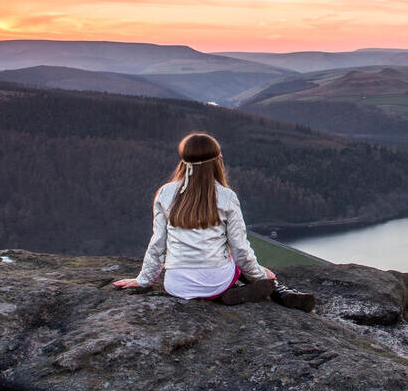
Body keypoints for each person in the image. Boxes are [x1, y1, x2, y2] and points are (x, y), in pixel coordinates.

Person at [113, 132, 314, 311]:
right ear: (218, 160)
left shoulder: (165, 193)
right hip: (218, 281)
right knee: (234, 261)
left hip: (177, 286)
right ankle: (276, 290)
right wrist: (261, 275)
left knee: (229, 262)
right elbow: (240, 250)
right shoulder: (226, 197)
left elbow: (158, 243)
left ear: (183, 161)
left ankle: (245, 289)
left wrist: (144, 280)